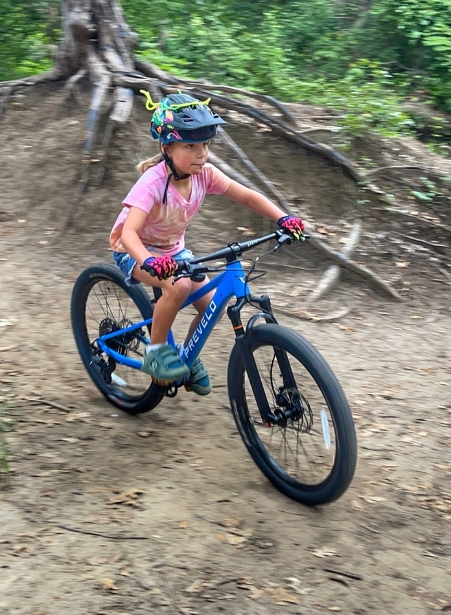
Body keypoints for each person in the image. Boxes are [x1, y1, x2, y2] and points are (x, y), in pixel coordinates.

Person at [109, 91, 306, 395]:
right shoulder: (152, 183)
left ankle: (186, 355)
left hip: (175, 252)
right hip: (135, 253)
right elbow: (128, 234)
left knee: (211, 303)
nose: (201, 153)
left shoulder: (205, 175)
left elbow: (247, 196)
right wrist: (149, 260)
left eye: (206, 144)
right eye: (190, 145)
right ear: (167, 148)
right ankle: (157, 353)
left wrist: (283, 218)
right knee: (178, 286)